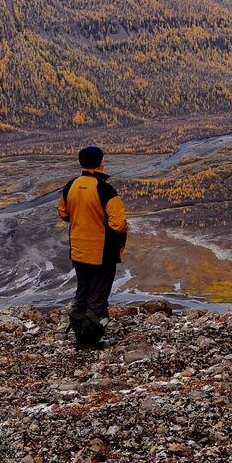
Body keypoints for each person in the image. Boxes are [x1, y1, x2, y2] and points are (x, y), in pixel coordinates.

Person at [57, 146, 129, 349]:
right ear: (100, 163)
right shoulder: (104, 189)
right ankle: (91, 341)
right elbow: (119, 223)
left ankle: (81, 337)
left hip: (78, 251)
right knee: (97, 297)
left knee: (82, 294)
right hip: (101, 254)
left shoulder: (70, 185)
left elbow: (63, 214)